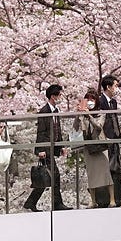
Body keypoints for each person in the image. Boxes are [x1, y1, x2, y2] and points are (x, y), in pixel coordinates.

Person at [28, 84, 72, 212]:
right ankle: (57, 204)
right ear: (53, 96)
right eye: (59, 95)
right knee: (54, 175)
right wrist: (40, 150)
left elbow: (58, 130)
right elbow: (41, 131)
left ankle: (31, 202)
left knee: (47, 176)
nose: (61, 97)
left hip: (53, 147)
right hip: (45, 148)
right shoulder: (44, 111)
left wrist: (61, 146)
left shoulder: (55, 111)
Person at [73, 89, 116, 208]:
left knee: (106, 172)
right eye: (88, 100)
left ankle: (112, 199)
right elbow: (76, 128)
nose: (90, 102)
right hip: (88, 146)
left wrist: (89, 116)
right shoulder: (83, 115)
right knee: (91, 173)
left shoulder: (101, 113)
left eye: (92, 99)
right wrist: (78, 115)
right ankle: (93, 200)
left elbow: (99, 127)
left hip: (100, 145)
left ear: (96, 101)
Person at [99, 74, 121, 207]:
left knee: (116, 168)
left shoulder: (113, 102)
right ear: (108, 87)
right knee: (106, 168)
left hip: (114, 138)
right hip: (105, 140)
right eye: (115, 86)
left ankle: (117, 198)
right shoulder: (100, 101)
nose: (116, 88)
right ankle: (105, 199)